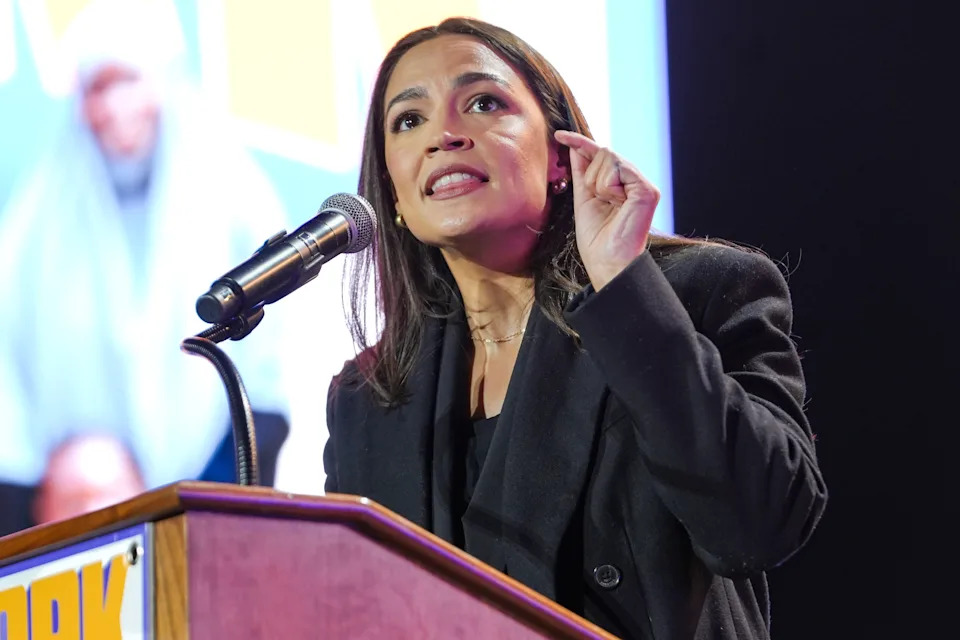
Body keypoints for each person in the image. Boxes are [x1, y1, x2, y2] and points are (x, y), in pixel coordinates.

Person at [322, 18, 827, 639]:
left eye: (484, 103)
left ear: (561, 157)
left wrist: (622, 282)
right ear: (394, 195)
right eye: (409, 120)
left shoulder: (691, 293)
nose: (445, 135)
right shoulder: (366, 399)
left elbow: (759, 523)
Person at [0, 0, 291, 529]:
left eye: (127, 81)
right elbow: (11, 396)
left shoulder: (236, 202)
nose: (113, 107)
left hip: (208, 496)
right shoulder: (36, 221)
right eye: (95, 88)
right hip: (73, 518)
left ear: (165, 82)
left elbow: (264, 382)